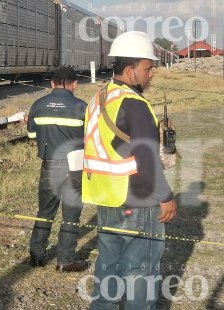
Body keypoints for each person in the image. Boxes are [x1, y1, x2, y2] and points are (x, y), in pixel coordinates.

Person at [82, 31, 177, 309]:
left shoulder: (99, 99)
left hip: (108, 198)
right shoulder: (134, 104)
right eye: (147, 69)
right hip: (138, 200)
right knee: (141, 272)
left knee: (109, 267)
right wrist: (166, 196)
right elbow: (146, 159)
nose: (151, 75)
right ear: (129, 70)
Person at [26, 66, 89, 272]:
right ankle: (65, 260)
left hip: (49, 165)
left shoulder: (38, 104)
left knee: (45, 211)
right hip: (74, 168)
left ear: (52, 83)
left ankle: (36, 255)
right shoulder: (82, 107)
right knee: (71, 215)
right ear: (75, 84)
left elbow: (32, 137)